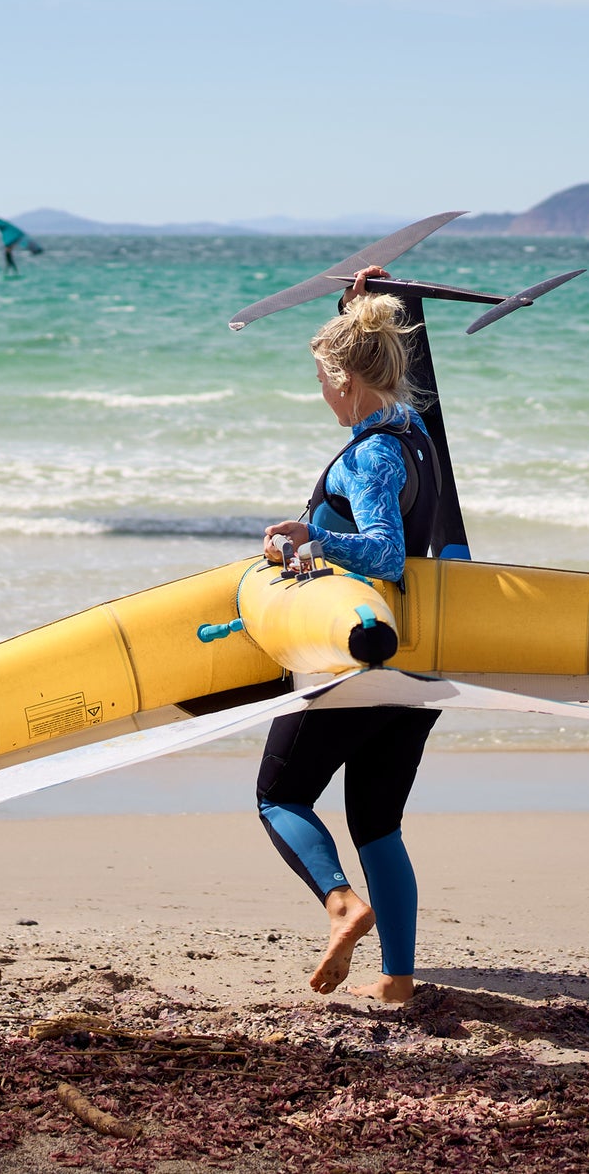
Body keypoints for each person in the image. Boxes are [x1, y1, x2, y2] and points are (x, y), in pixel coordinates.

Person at [258, 266, 442, 1004]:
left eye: (323, 379)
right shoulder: (415, 431)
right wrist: (358, 305)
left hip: (360, 659)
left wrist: (315, 538)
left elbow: (386, 551)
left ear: (348, 382)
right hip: (421, 665)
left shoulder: (370, 454)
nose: (321, 394)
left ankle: (341, 905)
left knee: (280, 797)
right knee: (378, 823)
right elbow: (383, 360)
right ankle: (397, 980)